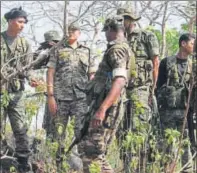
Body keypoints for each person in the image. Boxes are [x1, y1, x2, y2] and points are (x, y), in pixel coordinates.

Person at [80, 16, 133, 173]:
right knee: (95, 154)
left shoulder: (117, 50)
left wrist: (102, 109)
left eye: (106, 31)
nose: (105, 35)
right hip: (109, 106)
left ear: (111, 30)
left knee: (91, 154)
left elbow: (120, 80)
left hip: (107, 109)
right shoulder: (124, 48)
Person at [47, 22, 96, 171]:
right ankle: (59, 167)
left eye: (74, 30)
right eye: (69, 30)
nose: (71, 33)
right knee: (58, 136)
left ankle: (86, 168)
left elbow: (92, 75)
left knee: (82, 135)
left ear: (79, 33)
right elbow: (50, 72)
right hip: (60, 99)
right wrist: (50, 96)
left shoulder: (87, 51)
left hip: (80, 98)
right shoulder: (57, 49)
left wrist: (92, 97)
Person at [116, 7, 160, 172]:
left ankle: (139, 168)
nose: (120, 23)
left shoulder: (146, 36)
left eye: (123, 19)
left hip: (141, 89)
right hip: (120, 90)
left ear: (130, 20)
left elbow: (156, 62)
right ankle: (126, 165)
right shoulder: (118, 39)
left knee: (138, 128)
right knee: (120, 129)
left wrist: (152, 90)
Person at [0, 7, 35, 172]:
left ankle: (23, 163)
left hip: (16, 92)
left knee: (20, 128)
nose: (22, 25)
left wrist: (33, 78)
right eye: (20, 21)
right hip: (0, 91)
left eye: (24, 22)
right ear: (10, 21)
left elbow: (28, 68)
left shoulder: (25, 44)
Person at [157, 33, 195, 172]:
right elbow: (159, 86)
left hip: (185, 112)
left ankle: (188, 170)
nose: (194, 47)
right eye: (192, 43)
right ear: (183, 44)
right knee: (167, 145)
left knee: (186, 145)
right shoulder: (166, 62)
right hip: (167, 112)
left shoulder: (193, 65)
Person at [33, 30, 61, 137]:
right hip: (51, 94)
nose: (51, 45)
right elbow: (32, 63)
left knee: (59, 124)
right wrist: (42, 51)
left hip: (64, 95)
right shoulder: (47, 54)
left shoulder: (65, 52)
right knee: (49, 124)